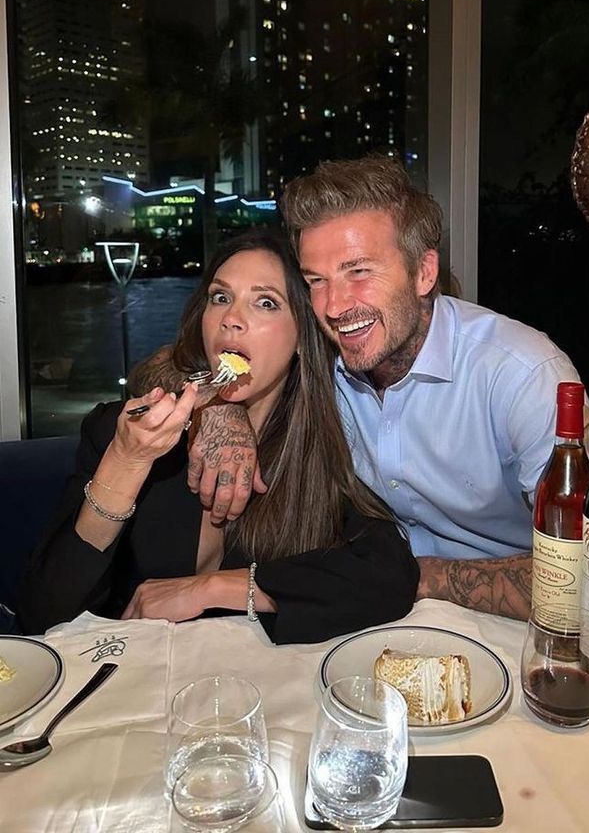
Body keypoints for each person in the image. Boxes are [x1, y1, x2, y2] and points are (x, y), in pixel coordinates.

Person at [133, 156, 589, 621]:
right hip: (378, 609)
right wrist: (222, 406)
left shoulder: (521, 374)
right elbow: (168, 367)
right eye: (316, 280)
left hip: (530, 619)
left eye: (358, 271)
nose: (335, 306)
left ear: (424, 272)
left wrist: (417, 578)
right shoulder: (323, 360)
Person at [17, 228, 419, 643]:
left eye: (266, 303)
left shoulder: (317, 446)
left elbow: (389, 574)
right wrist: (126, 461)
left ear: (302, 337)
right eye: (220, 297)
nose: (231, 318)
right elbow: (44, 617)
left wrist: (217, 588)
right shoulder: (124, 431)